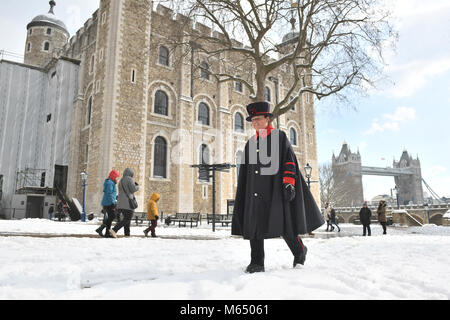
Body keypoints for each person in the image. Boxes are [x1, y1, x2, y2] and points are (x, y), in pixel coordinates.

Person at [231, 101, 324, 273]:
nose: (255, 123)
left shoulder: (279, 137)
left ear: (267, 119)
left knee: (284, 225)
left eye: (258, 119)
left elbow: (289, 161)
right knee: (255, 226)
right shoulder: (250, 143)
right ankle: (257, 262)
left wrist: (289, 183)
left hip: (275, 190)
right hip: (255, 192)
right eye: (253, 120)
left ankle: (299, 250)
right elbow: (247, 171)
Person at [109, 168, 139, 238]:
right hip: (128, 203)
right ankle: (114, 230)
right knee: (127, 218)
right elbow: (133, 189)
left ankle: (127, 234)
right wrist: (137, 186)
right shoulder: (130, 179)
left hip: (121, 203)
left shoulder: (121, 180)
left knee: (126, 219)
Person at [95, 170, 120, 237]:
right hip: (109, 203)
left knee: (110, 217)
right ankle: (103, 229)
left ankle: (105, 232)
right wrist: (113, 203)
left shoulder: (110, 182)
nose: (116, 178)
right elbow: (109, 194)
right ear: (113, 176)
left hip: (107, 202)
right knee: (112, 216)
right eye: (116, 177)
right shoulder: (110, 183)